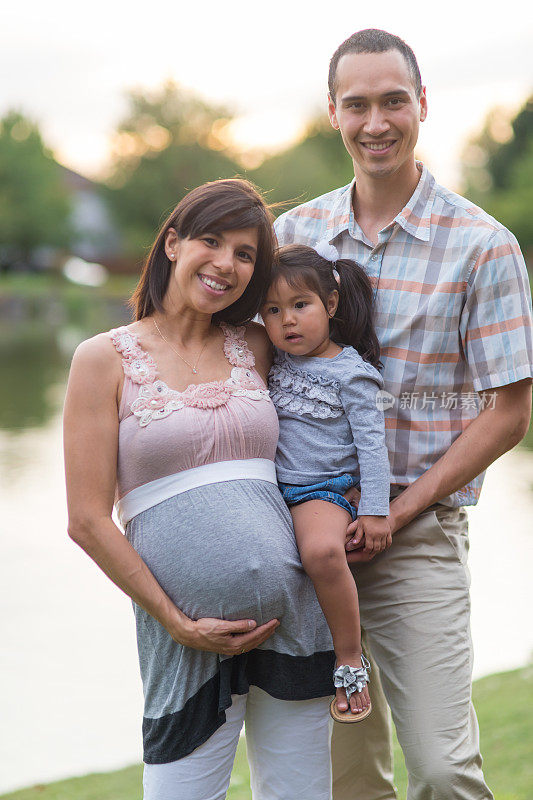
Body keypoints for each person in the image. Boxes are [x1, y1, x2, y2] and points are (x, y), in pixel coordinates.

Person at [274, 28, 533, 800]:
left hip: (416, 534)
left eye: (392, 101)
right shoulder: (293, 237)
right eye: (356, 104)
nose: (375, 122)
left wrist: (398, 508)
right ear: (332, 113)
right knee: (346, 778)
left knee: (443, 769)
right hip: (308, 528)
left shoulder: (483, 247)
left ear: (421, 105)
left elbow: (508, 412)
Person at [63, 178, 336, 800]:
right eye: (211, 241)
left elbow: (339, 382)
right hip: (181, 639)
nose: (226, 264)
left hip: (295, 617)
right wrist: (176, 621)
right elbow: (86, 520)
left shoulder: (262, 345)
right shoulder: (102, 359)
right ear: (171, 244)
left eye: (245, 254)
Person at [261, 242, 390, 722]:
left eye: (300, 305)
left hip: (323, 490)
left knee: (321, 553)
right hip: (272, 492)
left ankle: (350, 658)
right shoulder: (275, 362)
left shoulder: (352, 374)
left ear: (330, 305)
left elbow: (373, 448)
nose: (287, 321)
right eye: (272, 311)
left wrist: (376, 510)